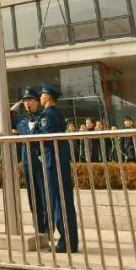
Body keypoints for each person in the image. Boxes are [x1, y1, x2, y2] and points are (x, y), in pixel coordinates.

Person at [37, 84, 79, 254]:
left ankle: (65, 242)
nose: (40, 97)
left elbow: (46, 137)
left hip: (53, 161)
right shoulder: (56, 113)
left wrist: (34, 131)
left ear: (48, 96)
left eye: (42, 95)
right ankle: (70, 241)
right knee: (64, 201)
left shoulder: (48, 115)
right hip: (58, 159)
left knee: (58, 201)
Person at [13, 88, 46, 235]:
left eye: (30, 100)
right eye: (25, 101)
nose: (27, 103)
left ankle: (48, 228)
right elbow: (5, 118)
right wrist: (15, 106)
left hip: (40, 160)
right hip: (27, 161)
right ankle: (39, 227)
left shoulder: (43, 118)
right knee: (32, 196)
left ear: (37, 102)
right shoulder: (21, 120)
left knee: (44, 194)